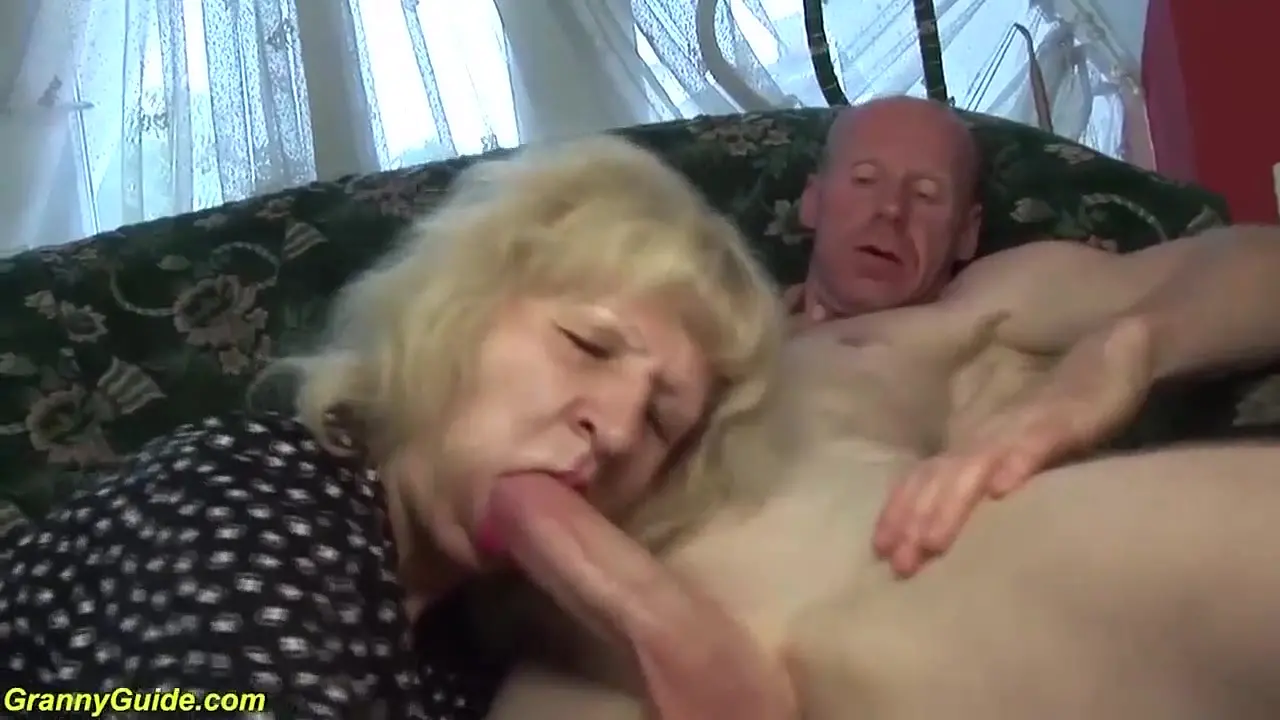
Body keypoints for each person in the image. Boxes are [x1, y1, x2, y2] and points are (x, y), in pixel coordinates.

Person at [0, 136, 795, 720]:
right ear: (456, 317)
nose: (617, 430)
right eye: (588, 344)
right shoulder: (255, 497)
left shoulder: (469, 645)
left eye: (660, 420)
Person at [785, 95, 1280, 578]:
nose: (891, 209)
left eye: (927, 195)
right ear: (812, 199)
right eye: (864, 180)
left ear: (966, 232)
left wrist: (1125, 350)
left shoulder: (980, 308)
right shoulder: (748, 324)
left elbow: (1263, 264)